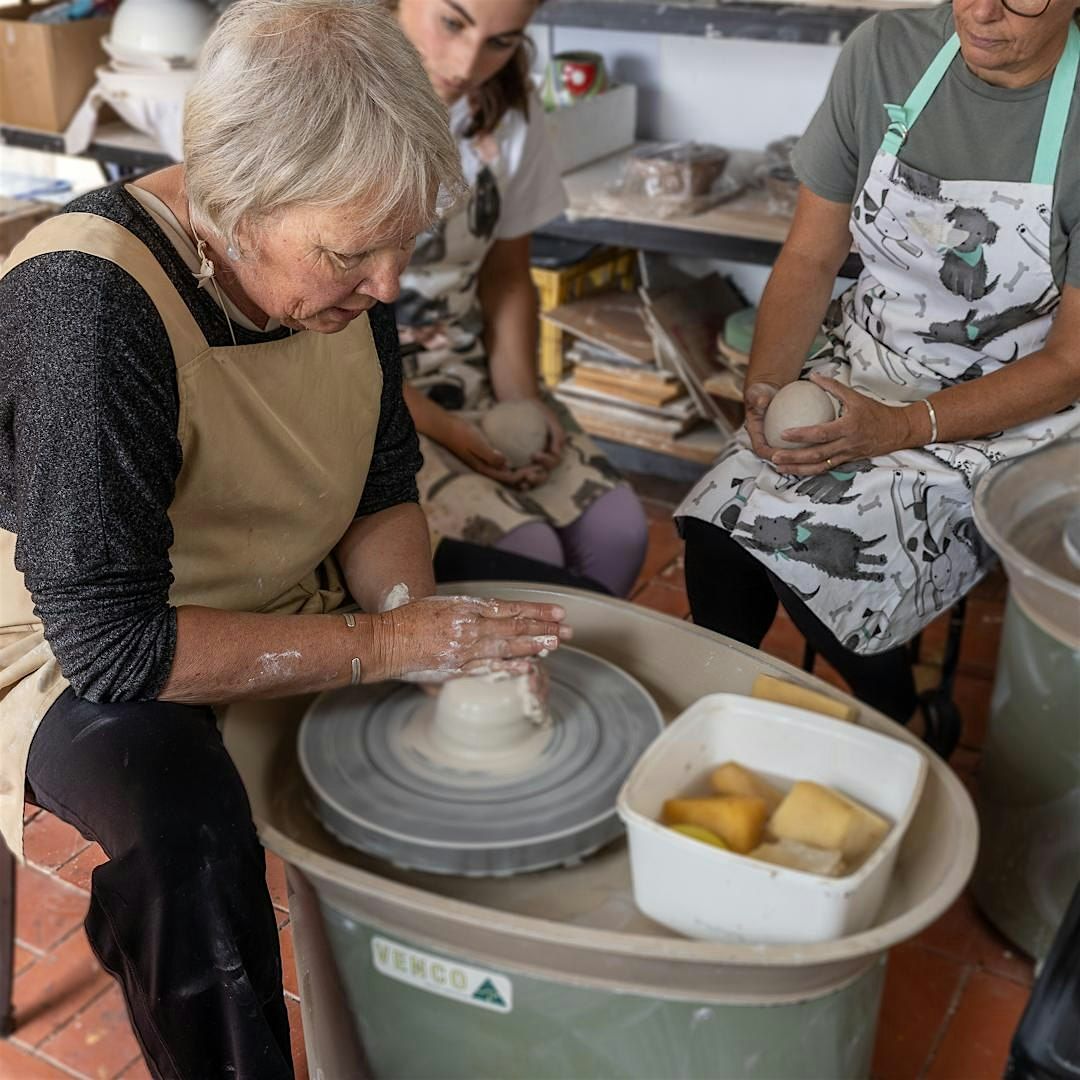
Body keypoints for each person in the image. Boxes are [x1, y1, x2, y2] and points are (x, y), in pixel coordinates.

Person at [0, 2, 571, 1076]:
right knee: (185, 836)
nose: (388, 288)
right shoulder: (88, 305)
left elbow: (380, 479)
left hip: (287, 587)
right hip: (72, 640)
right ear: (233, 202)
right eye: (354, 254)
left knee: (565, 631)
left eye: (398, 249)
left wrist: (414, 624)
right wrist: (384, 650)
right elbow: (114, 647)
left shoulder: (351, 252)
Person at [678, 0, 1080, 752]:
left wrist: (900, 427)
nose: (984, 13)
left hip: (1013, 404)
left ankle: (901, 722)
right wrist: (766, 389)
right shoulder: (886, 51)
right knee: (718, 533)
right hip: (868, 359)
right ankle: (709, 730)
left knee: (816, 572)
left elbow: (1069, 364)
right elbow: (810, 255)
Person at [389, 0, 649, 599]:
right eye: (452, 22)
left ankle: (563, 684)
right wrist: (448, 430)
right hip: (354, 385)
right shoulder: (330, 93)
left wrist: (521, 399)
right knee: (522, 555)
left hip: (463, 365)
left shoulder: (505, 111)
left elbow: (506, 275)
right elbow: (311, 329)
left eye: (502, 42)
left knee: (618, 533)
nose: (468, 62)